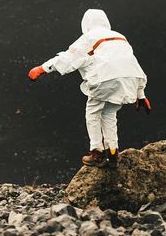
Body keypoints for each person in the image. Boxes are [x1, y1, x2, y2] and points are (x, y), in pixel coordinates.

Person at [28, 9, 149, 163]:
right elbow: (131, 63)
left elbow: (69, 57)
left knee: (93, 111)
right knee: (109, 113)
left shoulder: (89, 37)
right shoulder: (120, 37)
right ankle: (113, 151)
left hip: (105, 78)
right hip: (130, 80)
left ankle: (96, 152)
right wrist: (141, 94)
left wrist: (43, 68)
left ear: (86, 23)